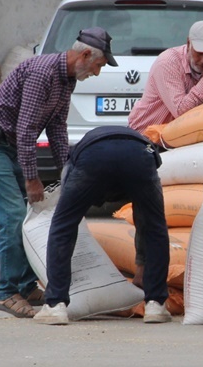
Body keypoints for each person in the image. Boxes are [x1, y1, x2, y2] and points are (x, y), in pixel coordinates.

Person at [0, 28, 115, 318]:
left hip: (10, 147)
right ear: (85, 55)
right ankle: (5, 292)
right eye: (98, 65)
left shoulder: (68, 79)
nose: (97, 72)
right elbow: (26, 128)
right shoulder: (42, 73)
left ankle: (25, 285)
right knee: (13, 218)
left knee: (30, 217)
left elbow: (57, 127)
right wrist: (32, 178)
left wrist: (67, 171)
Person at [34, 125, 172, 325]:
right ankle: (156, 304)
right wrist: (142, 265)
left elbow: (65, 214)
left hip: (93, 158)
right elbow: (146, 225)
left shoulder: (74, 161)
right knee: (154, 226)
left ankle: (55, 306)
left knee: (63, 226)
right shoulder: (140, 147)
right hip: (139, 156)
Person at [127, 20, 203, 132]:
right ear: (189, 43)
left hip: (180, 136)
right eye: (199, 53)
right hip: (145, 136)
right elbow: (181, 114)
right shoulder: (168, 62)